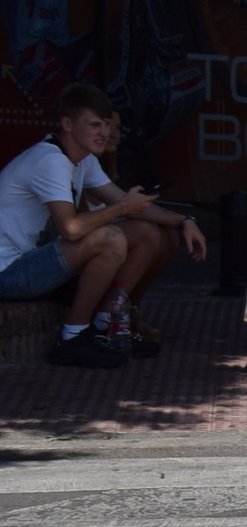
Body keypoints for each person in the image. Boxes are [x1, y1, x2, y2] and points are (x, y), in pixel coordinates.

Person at [0, 84, 204, 368]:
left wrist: (185, 221)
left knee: (146, 232)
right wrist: (122, 209)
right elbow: (72, 228)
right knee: (109, 238)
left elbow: (130, 204)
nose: (104, 133)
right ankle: (71, 338)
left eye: (107, 125)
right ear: (67, 124)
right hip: (10, 272)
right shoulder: (50, 160)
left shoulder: (82, 160)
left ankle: (105, 326)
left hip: (38, 265)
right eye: (94, 125)